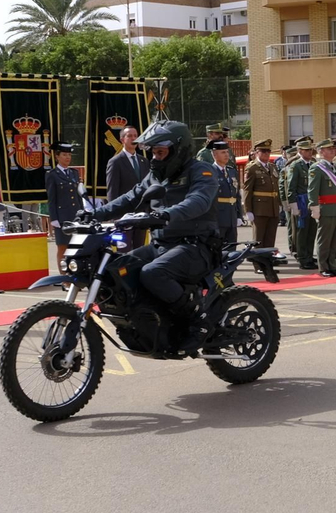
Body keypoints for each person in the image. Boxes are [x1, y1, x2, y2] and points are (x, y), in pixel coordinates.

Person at [89, 121, 224, 350]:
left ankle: (197, 320)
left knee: (154, 273)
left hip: (196, 246)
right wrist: (93, 214)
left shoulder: (201, 171)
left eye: (160, 152)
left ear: (178, 149)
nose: (155, 157)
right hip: (163, 245)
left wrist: (166, 214)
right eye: (152, 152)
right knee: (118, 270)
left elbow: (198, 202)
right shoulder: (156, 175)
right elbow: (130, 197)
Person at [303, 138, 336, 277]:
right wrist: (314, 207)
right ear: (321, 151)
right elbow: (312, 190)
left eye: (333, 149)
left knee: (334, 240)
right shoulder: (317, 168)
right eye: (329, 149)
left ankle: (332, 265)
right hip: (326, 208)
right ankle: (323, 267)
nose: (333, 151)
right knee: (324, 239)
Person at [46, 142, 85, 268]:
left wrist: (83, 212)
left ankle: (75, 275)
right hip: (62, 218)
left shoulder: (74, 173)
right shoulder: (52, 175)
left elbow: (78, 195)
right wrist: (54, 218)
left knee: (76, 247)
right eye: (64, 155)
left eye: (69, 154)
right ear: (57, 157)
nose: (67, 157)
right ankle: (64, 279)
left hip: (76, 215)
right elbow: (51, 199)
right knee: (63, 249)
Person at [286, 138, 319, 269]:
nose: (309, 152)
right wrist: (293, 205)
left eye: (310, 150)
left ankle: (310, 256)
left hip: (311, 201)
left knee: (312, 230)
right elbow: (291, 187)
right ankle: (302, 258)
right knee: (302, 232)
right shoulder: (295, 165)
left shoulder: (313, 164)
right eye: (306, 150)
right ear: (300, 151)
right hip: (301, 202)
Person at [241, 140, 281, 249]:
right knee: (258, 239)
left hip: (273, 208)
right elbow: (247, 190)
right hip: (259, 209)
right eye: (263, 151)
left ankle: (267, 263)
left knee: (270, 239)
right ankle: (258, 264)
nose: (266, 153)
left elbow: (276, 187)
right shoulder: (252, 168)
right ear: (256, 152)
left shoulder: (272, 167)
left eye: (268, 151)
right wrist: (248, 210)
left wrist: (280, 204)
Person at [208, 139, 240, 245]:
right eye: (223, 152)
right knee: (218, 250)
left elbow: (237, 195)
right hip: (218, 218)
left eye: (227, 152)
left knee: (232, 248)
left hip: (231, 217)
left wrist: (239, 215)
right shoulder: (210, 172)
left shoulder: (231, 171)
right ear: (215, 155)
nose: (227, 155)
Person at [106, 125, 148, 201]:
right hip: (125, 209)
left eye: (135, 136)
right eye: (129, 136)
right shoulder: (115, 162)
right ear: (122, 140)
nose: (133, 138)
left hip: (143, 208)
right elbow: (112, 191)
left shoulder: (144, 161)